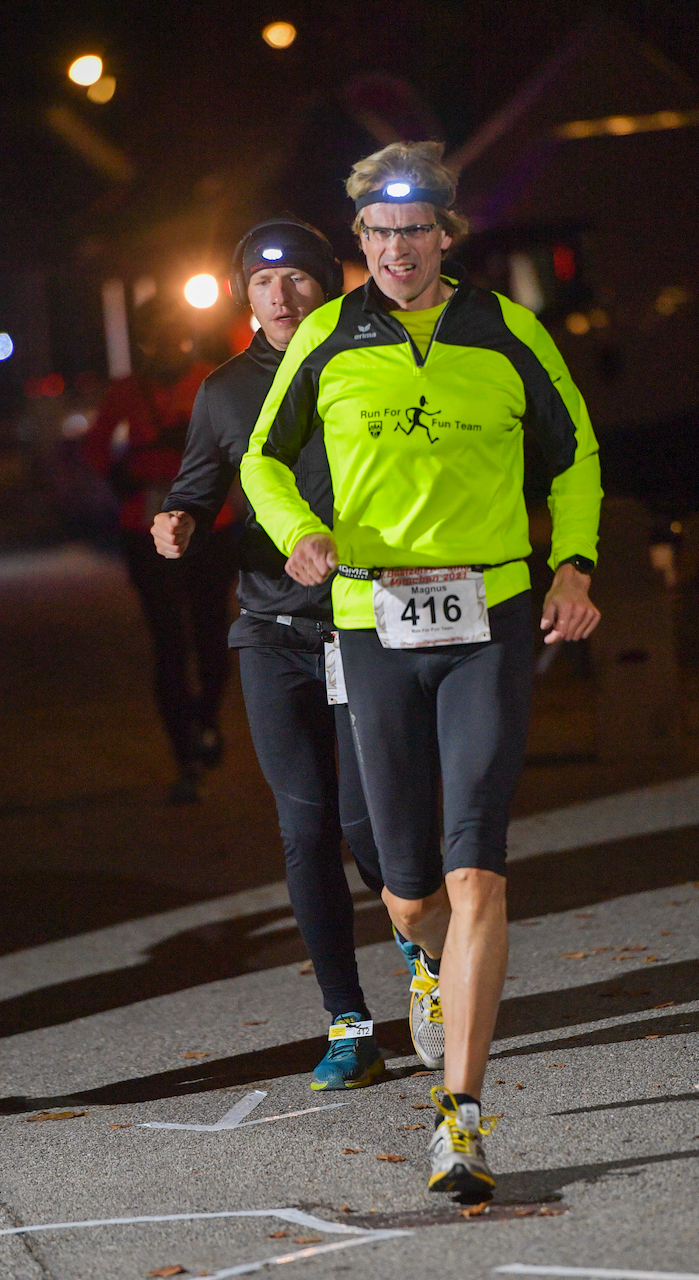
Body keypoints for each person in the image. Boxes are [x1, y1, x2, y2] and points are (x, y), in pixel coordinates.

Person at [241, 142, 602, 1195]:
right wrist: (299, 530)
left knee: (473, 864)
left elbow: (571, 450)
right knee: (407, 894)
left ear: (447, 235)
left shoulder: (505, 329)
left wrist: (571, 561)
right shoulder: (325, 334)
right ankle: (431, 966)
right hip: (373, 619)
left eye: (417, 230)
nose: (397, 249)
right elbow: (263, 458)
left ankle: (462, 1114)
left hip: (488, 610)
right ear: (360, 243)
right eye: (378, 233)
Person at [151, 217, 385, 1090]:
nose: (280, 296)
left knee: (372, 831)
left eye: (296, 278)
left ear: (330, 281)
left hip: (364, 625)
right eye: (261, 281)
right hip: (271, 634)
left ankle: (429, 970)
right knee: (305, 827)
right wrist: (177, 521)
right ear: (243, 295)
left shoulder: (372, 363)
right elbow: (196, 486)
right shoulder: (224, 390)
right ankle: (349, 1020)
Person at [84, 296, 239, 804]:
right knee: (169, 644)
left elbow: (242, 446)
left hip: (209, 527)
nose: (169, 343)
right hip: (145, 529)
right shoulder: (126, 392)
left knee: (213, 634)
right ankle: (185, 751)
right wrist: (123, 475)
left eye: (176, 333)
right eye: (158, 334)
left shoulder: (211, 380)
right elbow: (96, 448)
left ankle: (206, 719)